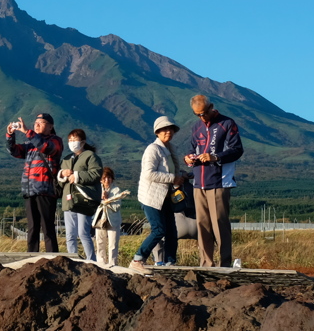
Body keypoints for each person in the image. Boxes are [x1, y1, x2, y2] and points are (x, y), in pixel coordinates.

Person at [184, 95, 244, 267]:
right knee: (202, 226)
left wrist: (215, 157)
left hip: (219, 182)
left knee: (220, 225)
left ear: (211, 107)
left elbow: (237, 150)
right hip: (198, 182)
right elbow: (191, 148)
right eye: (197, 115)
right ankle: (206, 264)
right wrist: (188, 158)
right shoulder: (196, 127)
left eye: (203, 113)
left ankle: (224, 264)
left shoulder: (227, 124)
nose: (202, 117)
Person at [129, 116, 188, 274]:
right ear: (157, 132)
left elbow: (170, 171)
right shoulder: (152, 149)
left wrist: (183, 175)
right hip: (151, 197)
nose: (168, 132)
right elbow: (149, 174)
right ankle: (137, 259)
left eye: (170, 129)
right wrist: (173, 178)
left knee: (171, 231)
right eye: (164, 129)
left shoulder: (170, 149)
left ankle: (170, 263)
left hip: (165, 197)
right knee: (159, 230)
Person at [7, 113, 64, 252]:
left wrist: (27, 132)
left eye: (42, 122)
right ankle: (30, 257)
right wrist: (10, 135)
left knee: (47, 227)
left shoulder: (56, 141)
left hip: (45, 190)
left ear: (50, 127)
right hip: (29, 190)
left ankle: (53, 257)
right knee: (32, 227)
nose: (37, 124)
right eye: (35, 122)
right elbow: (14, 151)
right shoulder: (30, 144)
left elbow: (46, 147)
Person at [57, 129, 103, 258]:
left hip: (84, 199)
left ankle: (91, 261)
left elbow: (96, 173)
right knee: (70, 235)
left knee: (83, 233)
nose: (72, 143)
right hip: (69, 200)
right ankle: (73, 259)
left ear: (82, 142)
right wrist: (62, 174)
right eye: (70, 140)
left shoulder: (90, 156)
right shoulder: (66, 159)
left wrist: (77, 176)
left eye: (74, 140)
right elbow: (60, 182)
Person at [92, 167, 130, 267]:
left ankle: (113, 264)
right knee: (100, 243)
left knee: (113, 244)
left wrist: (107, 200)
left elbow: (117, 206)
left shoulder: (116, 190)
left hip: (113, 220)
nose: (107, 180)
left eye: (109, 177)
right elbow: (94, 204)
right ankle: (101, 264)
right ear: (101, 179)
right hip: (100, 219)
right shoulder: (97, 189)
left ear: (112, 178)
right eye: (104, 178)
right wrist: (101, 198)